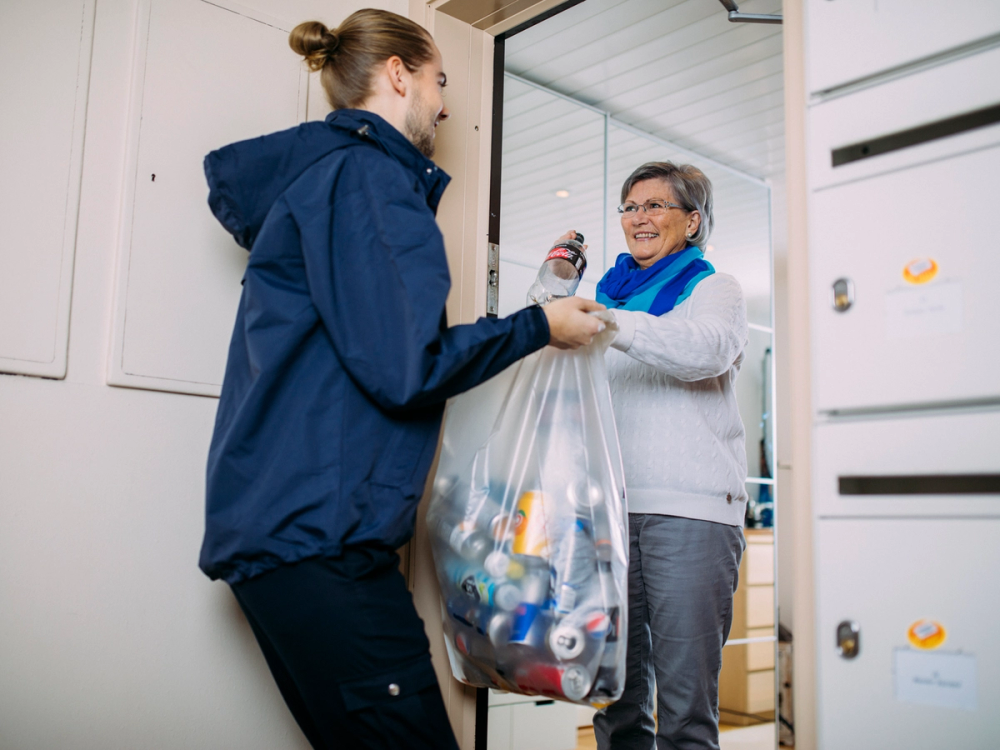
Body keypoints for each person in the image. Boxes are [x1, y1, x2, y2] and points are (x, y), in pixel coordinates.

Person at [196, 10, 605, 750]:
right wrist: (541, 327)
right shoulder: (371, 181)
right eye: (440, 80)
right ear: (398, 74)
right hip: (318, 541)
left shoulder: (323, 182)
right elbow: (405, 368)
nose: (446, 105)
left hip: (286, 533)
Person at [565, 161, 748, 749]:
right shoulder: (603, 300)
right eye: (630, 207)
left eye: (655, 206)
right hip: (608, 513)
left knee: (684, 708)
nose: (638, 218)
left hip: (691, 513)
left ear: (691, 221)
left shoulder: (713, 290)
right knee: (614, 700)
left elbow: (706, 351)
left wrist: (608, 322)